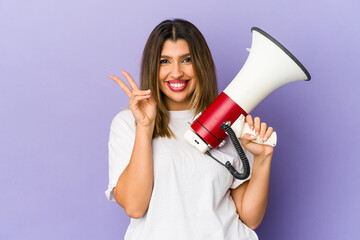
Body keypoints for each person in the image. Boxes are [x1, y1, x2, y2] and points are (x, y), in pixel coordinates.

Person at [105, 19, 274, 240]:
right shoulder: (128, 124)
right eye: (164, 61)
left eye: (187, 60)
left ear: (201, 64)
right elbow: (134, 206)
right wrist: (145, 128)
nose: (176, 73)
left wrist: (263, 159)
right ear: (152, 67)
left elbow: (250, 218)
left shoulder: (227, 122)